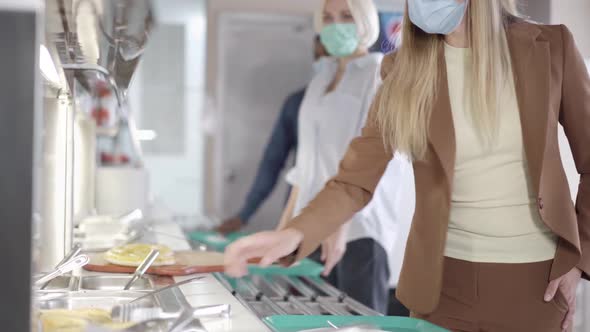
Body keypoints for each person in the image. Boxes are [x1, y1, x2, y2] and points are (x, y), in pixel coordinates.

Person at [225, 0, 590, 331]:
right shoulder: (404, 68)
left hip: (537, 286)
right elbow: (356, 177)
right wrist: (293, 234)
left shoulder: (550, 47)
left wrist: (580, 260)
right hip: (441, 287)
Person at [269, 0, 412, 314]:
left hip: (360, 229)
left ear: (365, 22)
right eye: (328, 18)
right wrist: (283, 228)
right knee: (311, 319)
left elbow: (373, 162)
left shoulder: (379, 74)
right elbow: (303, 167)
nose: (336, 25)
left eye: (346, 16)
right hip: (311, 226)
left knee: (359, 322)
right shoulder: (320, 81)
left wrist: (339, 227)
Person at [215, 37, 327, 235]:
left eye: (328, 55)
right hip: (301, 211)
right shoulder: (297, 104)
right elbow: (272, 162)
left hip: (352, 219)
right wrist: (244, 214)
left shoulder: (365, 97)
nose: (324, 61)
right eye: (318, 56)